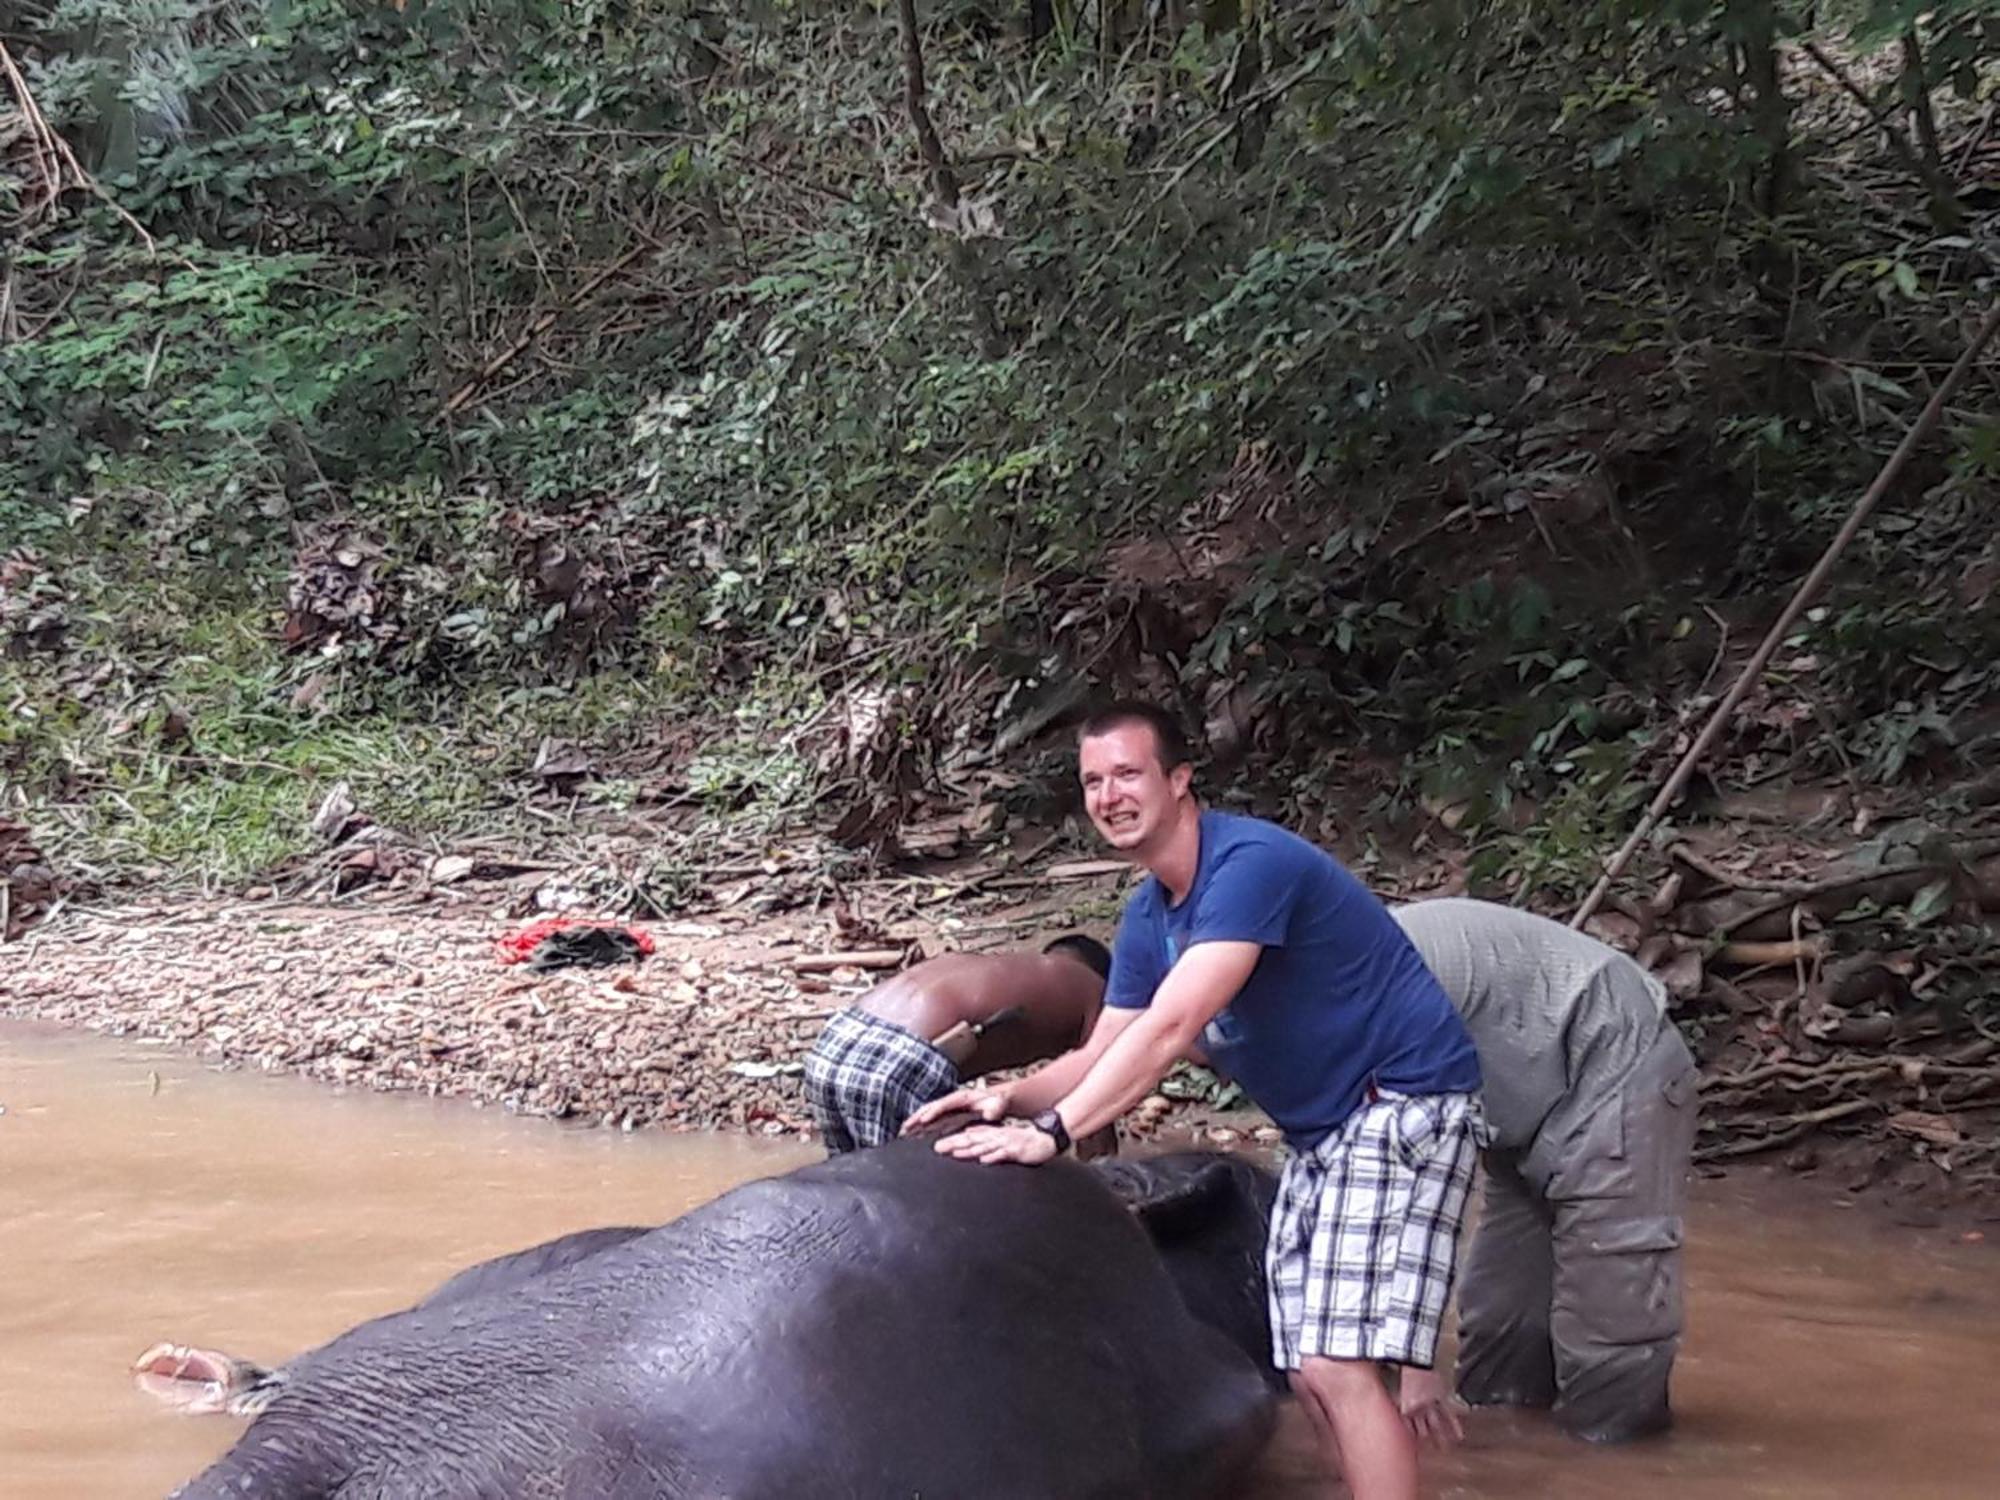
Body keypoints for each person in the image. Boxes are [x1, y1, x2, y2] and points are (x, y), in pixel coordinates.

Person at [906, 702, 1484, 1500]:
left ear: (1180, 780)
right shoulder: (1149, 913)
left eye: (1128, 774)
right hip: (1324, 1134)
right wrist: (1006, 1097)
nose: (1109, 795)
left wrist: (1056, 1131)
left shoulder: (1247, 866)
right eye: (1093, 781)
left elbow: (1174, 1026)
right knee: (1307, 1371)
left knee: (1337, 1365)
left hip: (1399, 1106)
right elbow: (1103, 1050)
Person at [1389, 897, 1700, 1445]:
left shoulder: (1370, 985)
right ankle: (1523, 1456)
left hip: (1611, 1060)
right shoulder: (1314, 978)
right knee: (1500, 1321)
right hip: (1520, 1105)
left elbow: (1419, 1192)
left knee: (1611, 1321)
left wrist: (1412, 1359)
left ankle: (1615, 1469)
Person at [803, 935, 1111, 1154]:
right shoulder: (1096, 989)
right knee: (908, 1200)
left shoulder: (1000, 966)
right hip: (899, 1058)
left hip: (836, 1037)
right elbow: (1099, 1097)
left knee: (853, 1185)